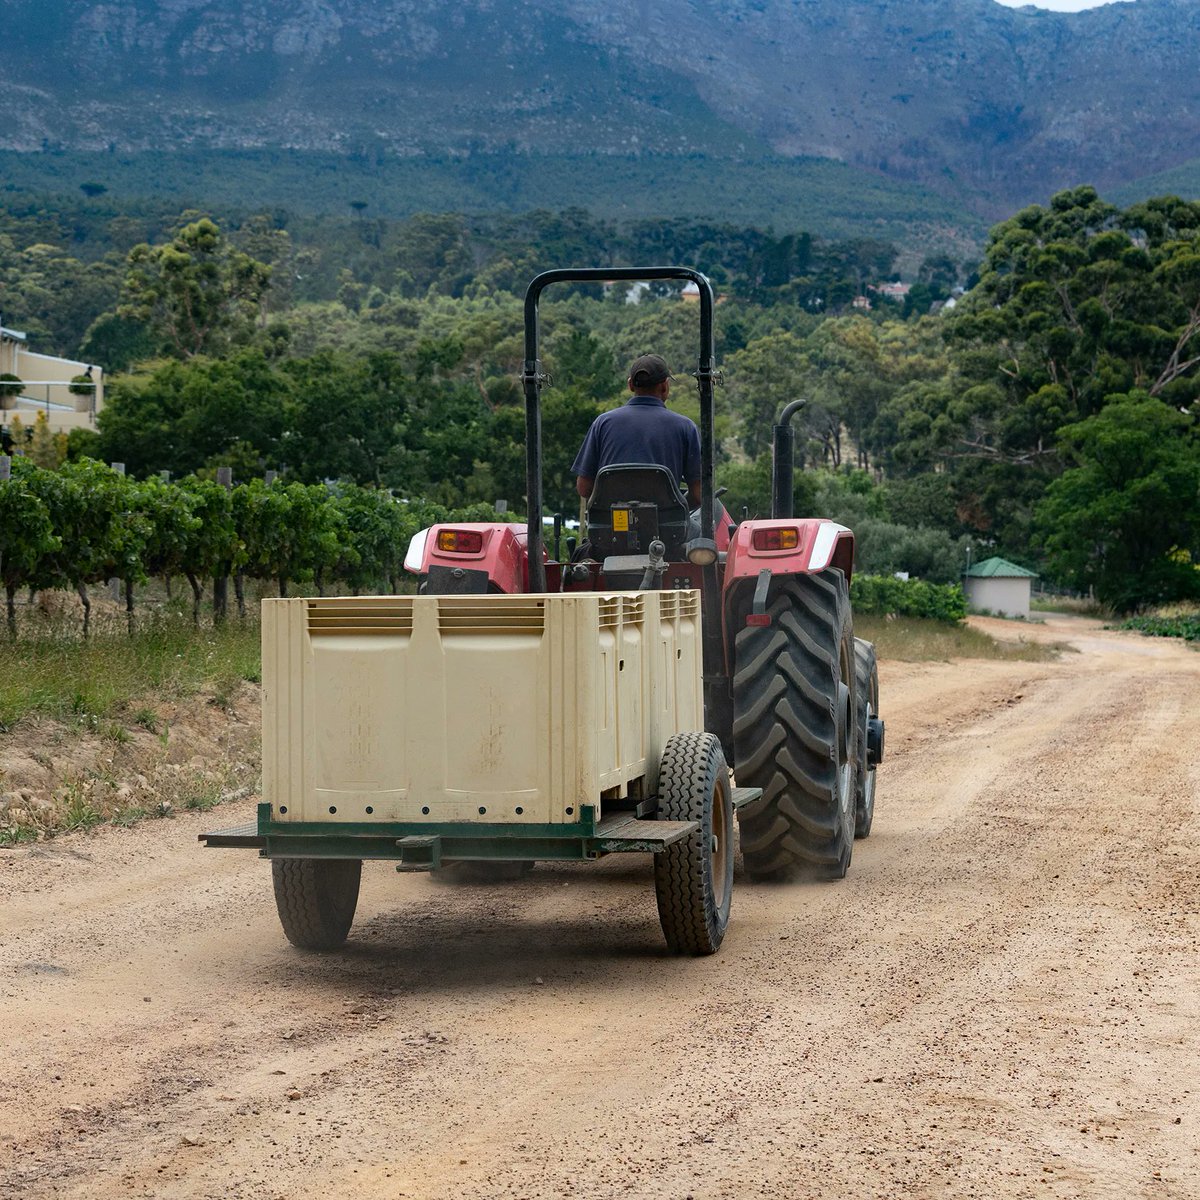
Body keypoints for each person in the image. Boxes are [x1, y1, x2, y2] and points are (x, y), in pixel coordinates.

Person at [572, 353, 702, 505]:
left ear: (630, 385)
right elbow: (699, 493)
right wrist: (678, 508)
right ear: (665, 386)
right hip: (667, 525)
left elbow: (583, 488)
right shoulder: (685, 427)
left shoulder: (602, 423)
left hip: (609, 525)